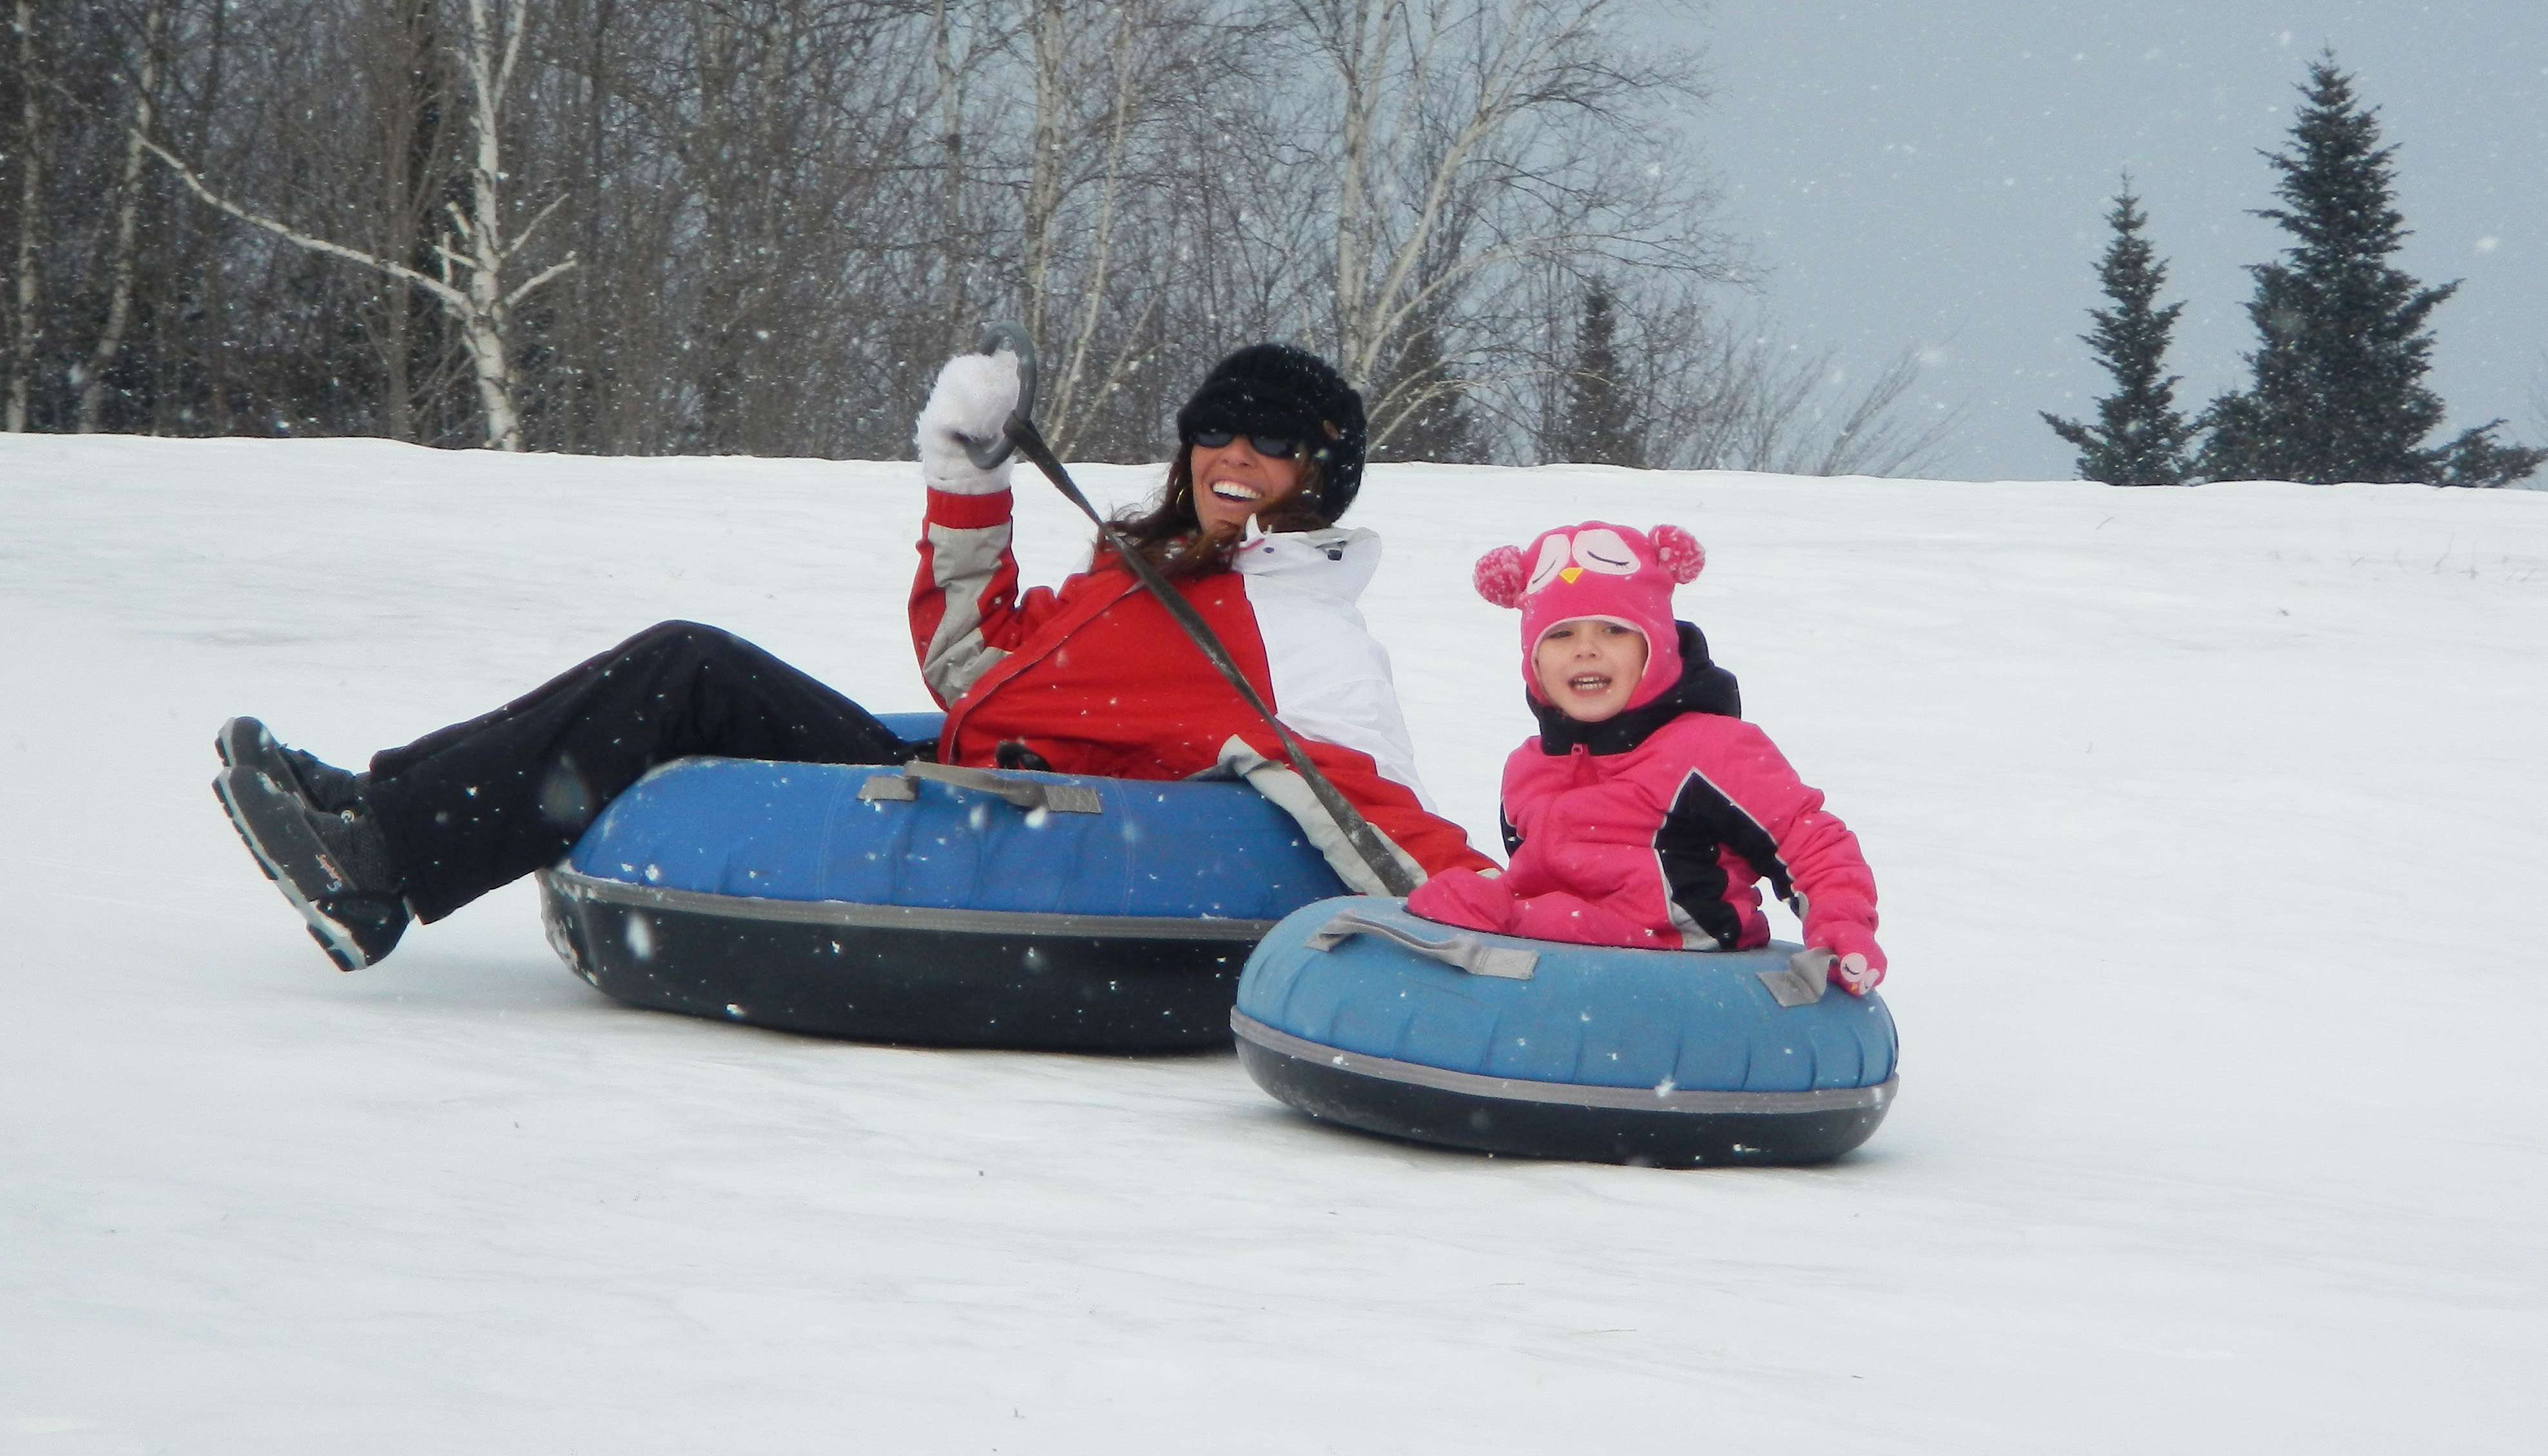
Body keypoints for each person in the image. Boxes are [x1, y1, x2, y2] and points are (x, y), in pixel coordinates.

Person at [213, 343, 1490, 972]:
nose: (1233, 459)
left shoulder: (1299, 625)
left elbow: (1360, 796)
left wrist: (1497, 914)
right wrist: (968, 475)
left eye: (1271, 445)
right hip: (961, 779)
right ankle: (373, 810)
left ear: (1321, 475)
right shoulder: (1146, 573)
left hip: (1021, 836)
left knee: (683, 666)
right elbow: (969, 667)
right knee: (692, 668)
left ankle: (378, 861)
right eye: (1217, 432)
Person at [1402, 520, 1886, 994]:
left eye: (1614, 630)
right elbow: (1535, 878)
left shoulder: (1709, 749)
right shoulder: (1528, 767)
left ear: (1655, 647)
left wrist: (1841, 924)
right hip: (1562, 966)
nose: (1586, 650)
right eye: (1561, 635)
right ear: (1534, 660)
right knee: (1452, 896)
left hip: (1685, 963)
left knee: (1514, 913)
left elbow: (1808, 841)